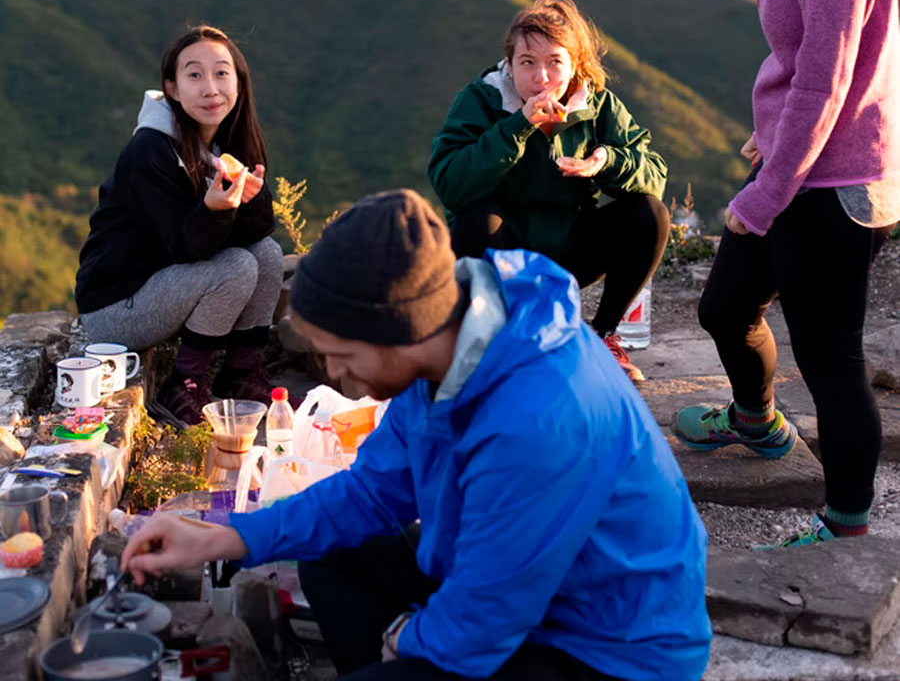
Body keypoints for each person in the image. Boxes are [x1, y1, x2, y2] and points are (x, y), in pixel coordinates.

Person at [123, 188, 712, 681]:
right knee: (336, 554)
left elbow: (484, 619)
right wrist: (222, 538)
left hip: (607, 649)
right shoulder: (451, 343)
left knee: (415, 651)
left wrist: (410, 640)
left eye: (341, 355)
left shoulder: (540, 417)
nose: (332, 374)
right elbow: (371, 492)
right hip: (525, 593)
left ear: (397, 331)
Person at [673, 0, 900, 545]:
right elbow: (814, 64)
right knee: (726, 305)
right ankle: (757, 423)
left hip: (832, 185)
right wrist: (770, 141)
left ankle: (845, 527)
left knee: (831, 358)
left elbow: (827, 82)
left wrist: (765, 192)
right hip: (802, 160)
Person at [428, 0, 670, 383]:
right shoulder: (481, 101)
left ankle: (602, 334)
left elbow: (654, 175)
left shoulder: (597, 106)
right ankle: (490, 341)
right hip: (503, 250)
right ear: (509, 64)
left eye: (554, 62)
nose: (541, 78)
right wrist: (515, 128)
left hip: (571, 248)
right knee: (476, 217)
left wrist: (604, 162)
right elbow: (449, 182)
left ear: (574, 67)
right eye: (527, 63)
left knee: (649, 213)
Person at [75, 24, 283, 423]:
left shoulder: (225, 143)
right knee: (236, 266)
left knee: (267, 255)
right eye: (194, 75)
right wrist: (214, 210)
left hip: (169, 286)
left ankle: (241, 371)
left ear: (239, 82)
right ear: (171, 88)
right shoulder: (150, 150)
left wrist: (251, 201)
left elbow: (257, 233)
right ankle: (184, 384)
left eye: (222, 73)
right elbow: (187, 249)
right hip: (117, 305)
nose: (210, 88)